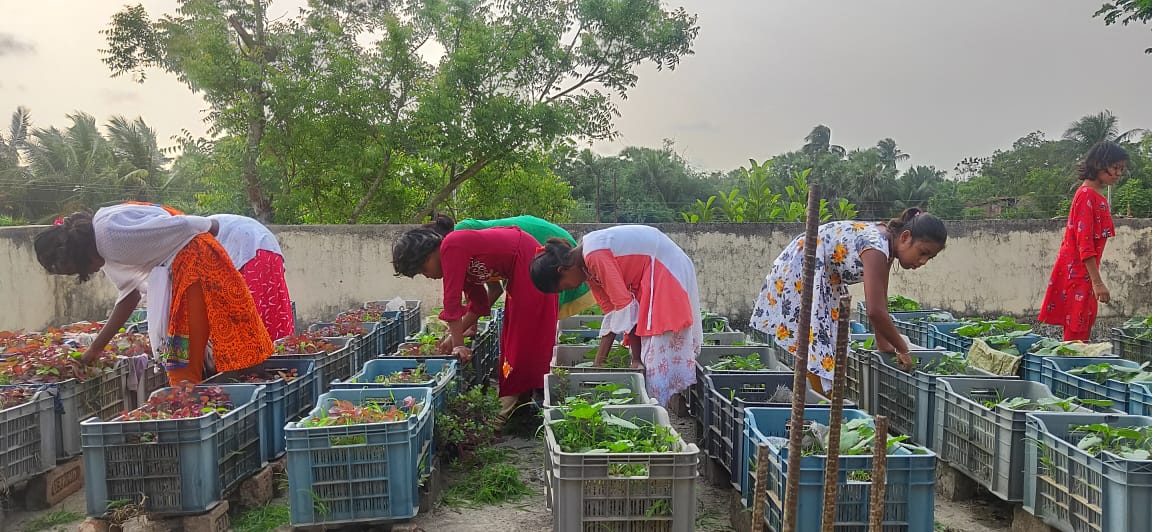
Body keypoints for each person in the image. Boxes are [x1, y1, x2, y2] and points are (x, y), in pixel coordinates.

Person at [33, 203, 273, 385]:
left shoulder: (109, 236)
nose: (90, 272)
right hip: (185, 271)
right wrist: (94, 350)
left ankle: (192, 406)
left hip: (196, 265)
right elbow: (129, 297)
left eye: (79, 269)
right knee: (186, 355)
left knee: (184, 356)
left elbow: (182, 225)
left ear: (79, 254)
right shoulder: (103, 247)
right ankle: (199, 403)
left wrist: (209, 225)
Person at [749, 208, 947, 395]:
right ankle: (816, 405)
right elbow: (874, 311)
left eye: (930, 257)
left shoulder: (886, 246)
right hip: (805, 268)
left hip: (825, 276)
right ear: (905, 237)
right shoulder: (876, 248)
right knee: (816, 344)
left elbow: (881, 302)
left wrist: (885, 345)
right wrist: (902, 348)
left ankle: (818, 402)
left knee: (824, 343)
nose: (923, 261)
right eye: (923, 252)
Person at [392, 215, 558, 424]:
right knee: (511, 341)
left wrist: (458, 345)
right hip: (518, 268)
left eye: (423, 270)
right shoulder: (459, 258)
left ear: (427, 255)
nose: (427, 276)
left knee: (521, 338)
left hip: (527, 261)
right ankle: (521, 405)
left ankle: (503, 416)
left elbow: (451, 302)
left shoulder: (451, 246)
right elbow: (479, 305)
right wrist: (454, 338)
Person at [529, 225, 703, 407]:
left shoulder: (594, 255)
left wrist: (634, 360)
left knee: (657, 352)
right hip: (654, 270)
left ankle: (658, 412)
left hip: (665, 266)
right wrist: (599, 366)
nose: (569, 289)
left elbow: (626, 308)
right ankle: (658, 405)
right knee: (648, 355)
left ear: (562, 271)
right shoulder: (587, 267)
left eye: (563, 286)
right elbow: (613, 314)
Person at [1039, 141, 1126, 341]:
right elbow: (1084, 245)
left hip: (1084, 276)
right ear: (1098, 164)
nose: (1118, 173)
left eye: (1121, 169)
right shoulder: (1086, 196)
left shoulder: (1095, 196)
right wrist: (1098, 283)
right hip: (1078, 276)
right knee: (1075, 336)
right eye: (1115, 168)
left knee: (1083, 329)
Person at [455, 216, 597, 318]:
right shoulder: (473, 263)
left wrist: (459, 332)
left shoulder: (459, 236)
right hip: (524, 254)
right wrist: (469, 324)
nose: (432, 275)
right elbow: (494, 290)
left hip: (538, 240)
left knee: (543, 309)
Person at [210, 214, 295, 341]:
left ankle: (259, 355)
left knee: (247, 315)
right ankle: (276, 355)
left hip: (250, 251)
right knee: (272, 311)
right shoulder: (195, 227)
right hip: (269, 247)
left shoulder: (188, 237)